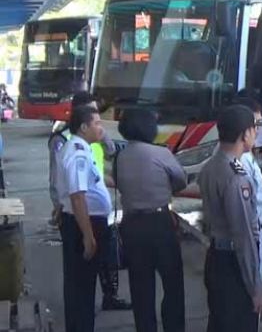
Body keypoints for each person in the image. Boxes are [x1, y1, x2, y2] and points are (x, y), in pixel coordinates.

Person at [48, 91, 130, 311]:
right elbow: (67, 187)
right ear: (81, 119)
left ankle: (108, 296)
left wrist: (102, 135)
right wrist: (59, 207)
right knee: (80, 282)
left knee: (99, 267)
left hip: (91, 210)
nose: (100, 124)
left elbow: (107, 158)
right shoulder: (65, 142)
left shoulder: (90, 140)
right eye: (95, 119)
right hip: (80, 218)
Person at [115, 108, 187, 332]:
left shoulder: (121, 156)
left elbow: (119, 183)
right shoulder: (161, 154)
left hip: (131, 225)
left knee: (141, 286)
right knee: (172, 283)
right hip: (159, 222)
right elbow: (181, 181)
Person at [198, 105, 262, 331]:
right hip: (233, 264)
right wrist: (255, 287)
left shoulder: (210, 166)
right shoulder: (236, 177)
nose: (256, 135)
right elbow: (243, 235)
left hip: (216, 256)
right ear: (245, 134)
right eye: (254, 129)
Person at [55, 105, 113, 332]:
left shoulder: (82, 148)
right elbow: (78, 197)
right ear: (83, 127)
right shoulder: (78, 152)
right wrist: (88, 236)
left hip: (82, 221)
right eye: (97, 124)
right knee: (82, 286)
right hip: (84, 224)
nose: (101, 128)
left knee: (81, 285)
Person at [234, 97, 262, 287]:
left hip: (257, 230)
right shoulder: (241, 162)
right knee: (251, 285)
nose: (258, 130)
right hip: (250, 234)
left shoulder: (242, 157)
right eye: (254, 125)